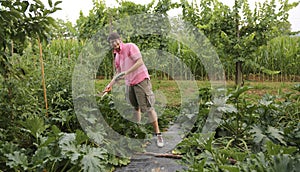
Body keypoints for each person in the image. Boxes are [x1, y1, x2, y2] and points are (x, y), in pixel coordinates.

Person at [103, 32, 164, 148]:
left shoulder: (130, 47)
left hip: (141, 80)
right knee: (136, 107)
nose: (114, 44)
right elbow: (118, 73)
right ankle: (138, 131)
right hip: (130, 83)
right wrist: (109, 85)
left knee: (148, 108)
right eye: (111, 42)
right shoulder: (117, 56)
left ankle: (158, 134)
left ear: (120, 39)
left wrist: (127, 72)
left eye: (115, 40)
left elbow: (140, 62)